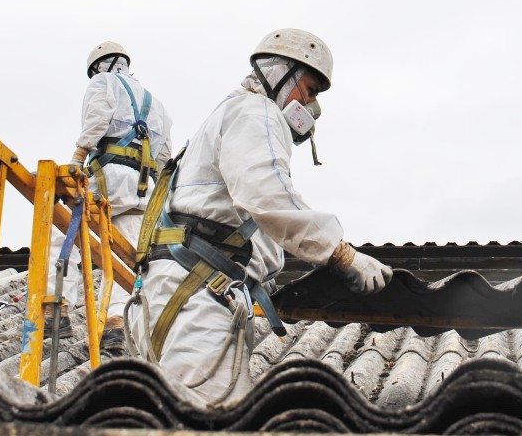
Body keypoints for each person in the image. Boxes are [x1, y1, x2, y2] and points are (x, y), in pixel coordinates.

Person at [129, 28, 392, 406]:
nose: (311, 105)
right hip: (197, 304)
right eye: (310, 90)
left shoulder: (232, 113)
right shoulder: (257, 112)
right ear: (281, 74)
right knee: (207, 423)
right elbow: (266, 193)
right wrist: (340, 252)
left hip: (179, 293)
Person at [45, 41, 173, 356]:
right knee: (122, 259)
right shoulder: (156, 103)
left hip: (109, 178)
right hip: (143, 190)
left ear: (98, 67)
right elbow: (165, 155)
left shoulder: (103, 83)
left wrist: (77, 157)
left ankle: (55, 307)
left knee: (58, 225)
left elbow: (98, 117)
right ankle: (116, 323)